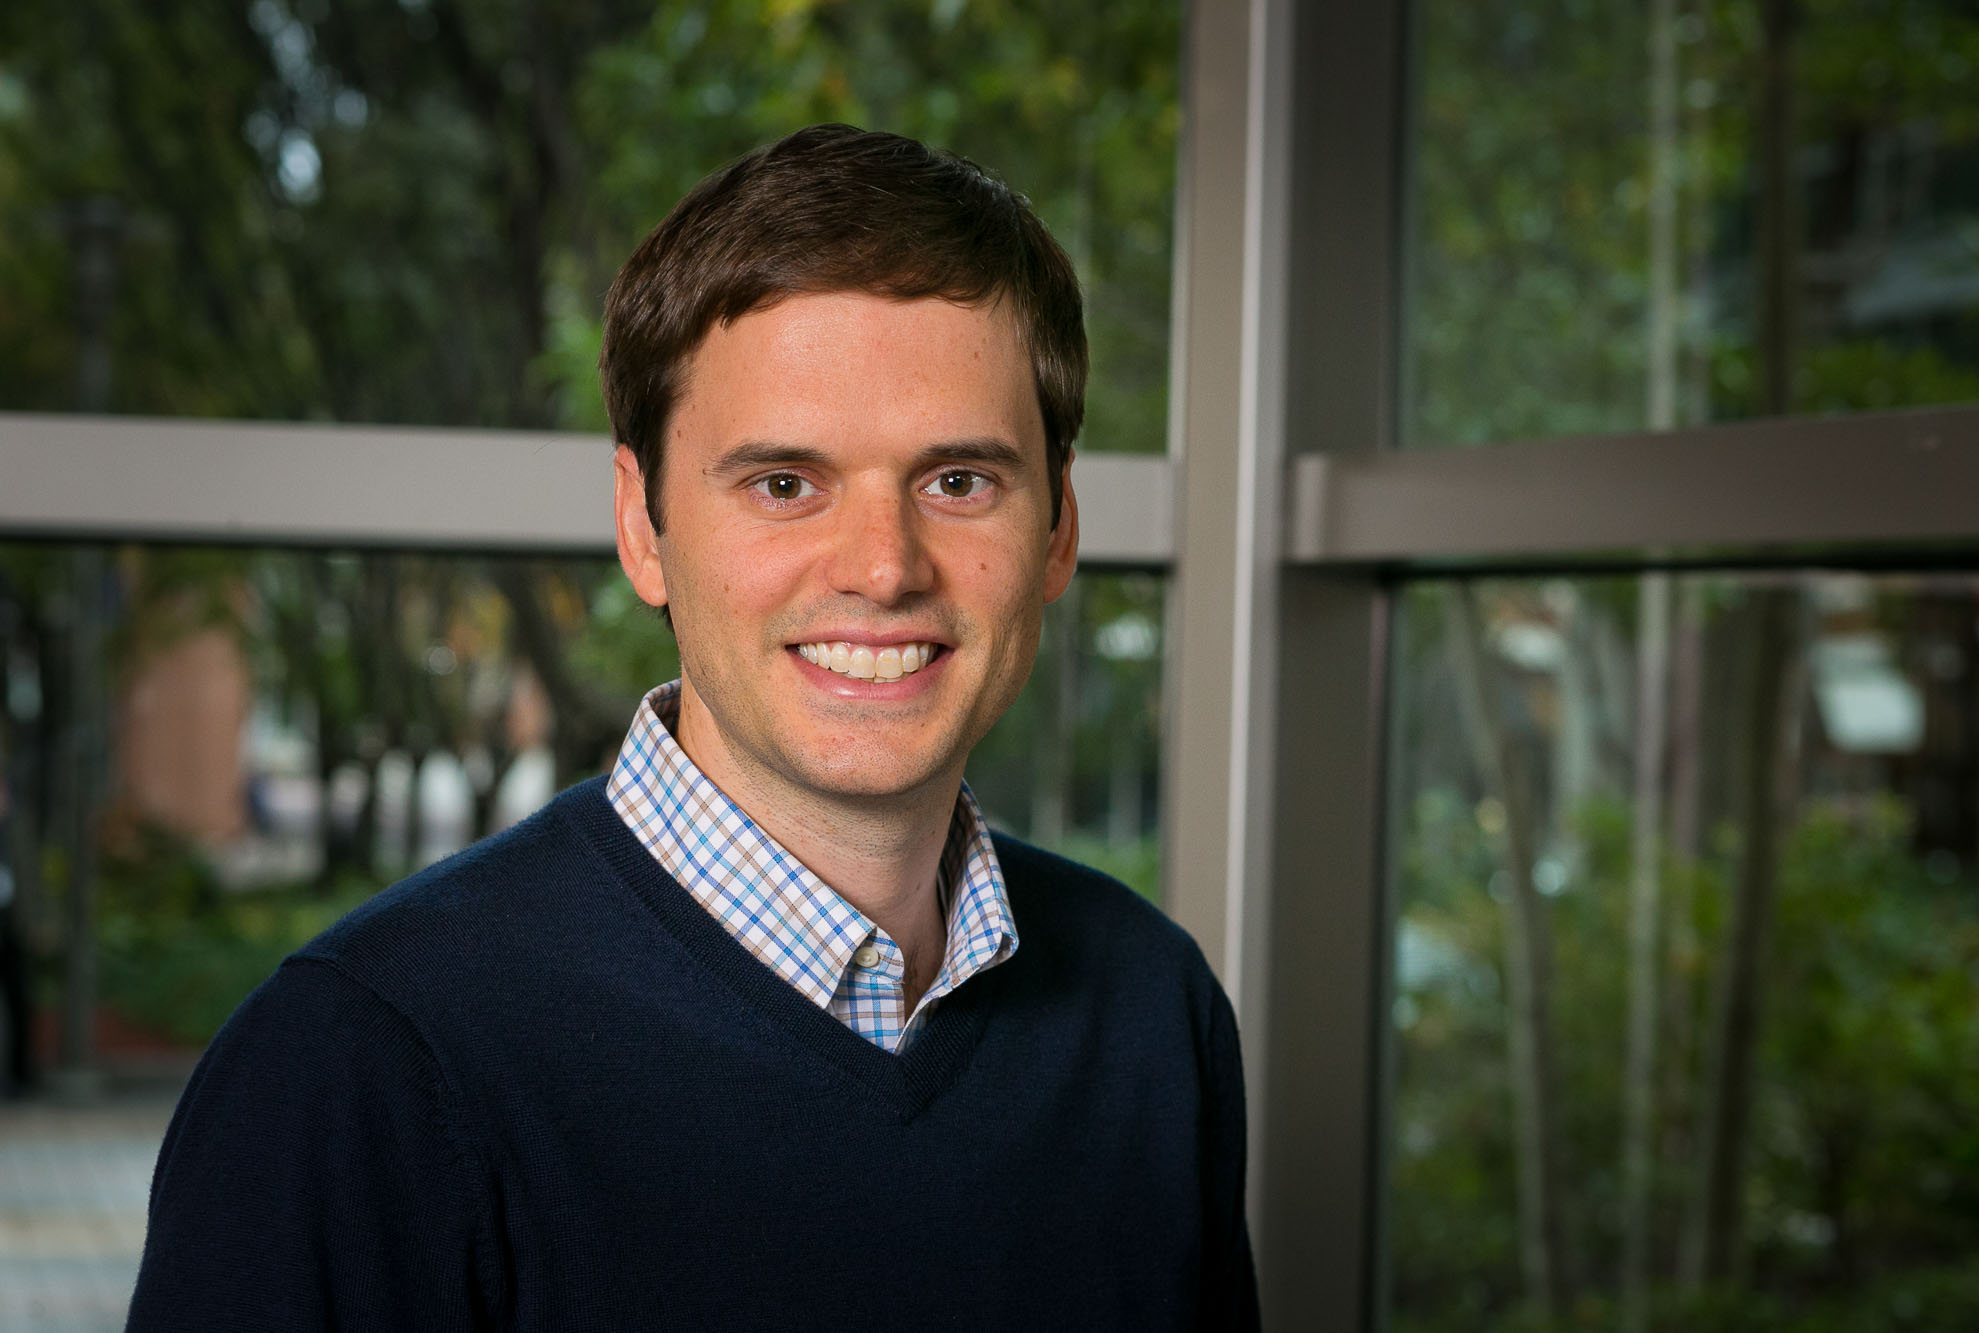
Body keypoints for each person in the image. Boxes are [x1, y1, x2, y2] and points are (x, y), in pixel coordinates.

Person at [128, 124, 1257, 1331]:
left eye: (957, 482)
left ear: (1058, 528)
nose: (881, 568)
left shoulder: (1150, 1011)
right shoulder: (359, 1068)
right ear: (642, 526)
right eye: (783, 484)